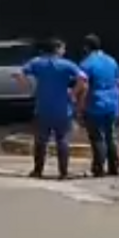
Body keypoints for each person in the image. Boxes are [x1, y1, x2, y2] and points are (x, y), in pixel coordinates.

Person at [16, 38, 88, 180]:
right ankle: (63, 172)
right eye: (63, 48)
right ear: (57, 49)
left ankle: (38, 170)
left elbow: (19, 74)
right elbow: (83, 79)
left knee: (41, 141)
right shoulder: (66, 64)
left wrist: (28, 88)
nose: (64, 51)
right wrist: (73, 93)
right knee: (62, 140)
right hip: (62, 108)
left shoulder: (37, 62)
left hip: (43, 108)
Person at [79, 34, 119, 177]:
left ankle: (98, 168)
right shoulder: (111, 60)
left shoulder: (86, 64)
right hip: (112, 102)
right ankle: (114, 167)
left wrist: (80, 105)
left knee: (97, 137)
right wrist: (115, 97)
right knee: (111, 135)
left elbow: (83, 86)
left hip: (95, 103)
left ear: (86, 47)